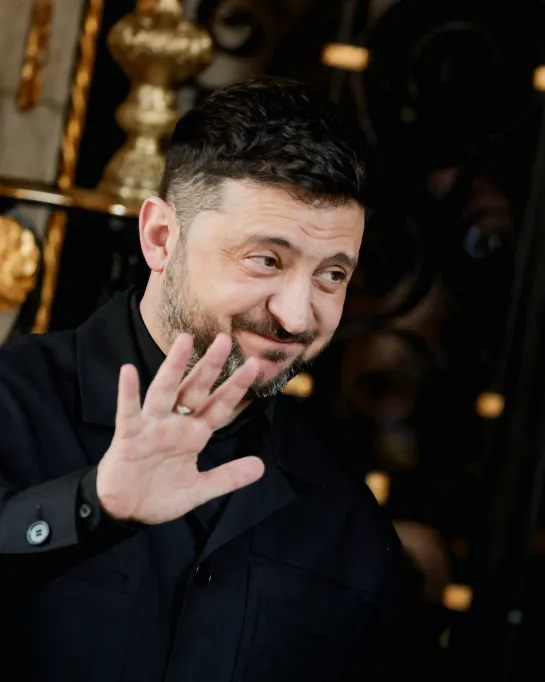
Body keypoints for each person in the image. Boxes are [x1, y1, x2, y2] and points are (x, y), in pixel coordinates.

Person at [0, 77, 403, 681]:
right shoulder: (10, 399)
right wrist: (90, 507)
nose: (297, 315)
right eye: (266, 259)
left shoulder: (348, 519)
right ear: (161, 237)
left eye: (332, 275)